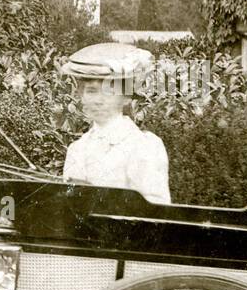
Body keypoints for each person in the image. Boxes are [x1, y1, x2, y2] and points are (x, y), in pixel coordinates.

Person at [61, 42, 171, 205]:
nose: (98, 100)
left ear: (126, 97)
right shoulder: (77, 149)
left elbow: (156, 212)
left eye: (109, 92)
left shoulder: (144, 146)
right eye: (91, 91)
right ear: (81, 96)